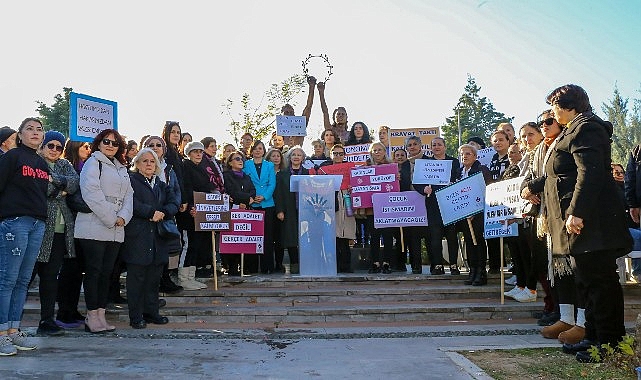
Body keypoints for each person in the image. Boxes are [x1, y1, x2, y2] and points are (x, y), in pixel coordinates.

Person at [528, 85, 632, 362]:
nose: (552, 112)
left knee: (600, 283)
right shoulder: (573, 129)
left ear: (569, 106)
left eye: (554, 107)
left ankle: (608, 342)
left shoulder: (587, 128)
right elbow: (562, 174)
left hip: (592, 221)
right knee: (587, 281)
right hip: (578, 221)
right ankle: (592, 337)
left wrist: (577, 211)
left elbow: (590, 172)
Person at [75, 128, 134, 333]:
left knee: (107, 273)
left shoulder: (122, 168)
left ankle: (101, 315)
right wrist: (111, 217)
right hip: (93, 225)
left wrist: (123, 217)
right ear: (99, 143)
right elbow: (91, 193)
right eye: (106, 141)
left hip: (117, 228)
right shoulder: (93, 163)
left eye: (115, 143)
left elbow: (129, 196)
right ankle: (92, 316)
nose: (110, 145)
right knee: (94, 271)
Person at [0, 117, 49, 355]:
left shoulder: (42, 163)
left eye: (39, 129)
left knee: (23, 280)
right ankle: (0, 333)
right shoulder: (11, 157)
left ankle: (13, 331)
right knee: (7, 279)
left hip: (37, 224)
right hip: (14, 223)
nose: (35, 132)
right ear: (19, 135)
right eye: (29, 128)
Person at [122, 148, 178, 329]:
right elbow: (130, 202)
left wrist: (163, 213)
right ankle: (136, 316)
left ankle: (152, 313)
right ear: (137, 164)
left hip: (158, 237)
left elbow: (174, 202)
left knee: (154, 278)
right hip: (137, 236)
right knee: (136, 278)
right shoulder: (130, 181)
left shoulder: (161, 184)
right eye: (144, 161)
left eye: (152, 161)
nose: (148, 164)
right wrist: (149, 212)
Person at [33, 131, 79, 337]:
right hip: (38, 228)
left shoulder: (64, 165)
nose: (54, 150)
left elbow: (75, 183)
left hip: (61, 232)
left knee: (51, 277)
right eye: (50, 145)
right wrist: (60, 189)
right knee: (24, 277)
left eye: (58, 147)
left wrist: (55, 181)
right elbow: (40, 189)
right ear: (42, 146)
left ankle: (47, 320)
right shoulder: (33, 163)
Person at [55, 140, 92, 329]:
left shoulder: (90, 167)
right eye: (85, 146)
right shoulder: (66, 166)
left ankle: (73, 308)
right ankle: (63, 311)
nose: (88, 149)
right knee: (69, 269)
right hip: (69, 225)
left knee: (78, 271)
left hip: (86, 226)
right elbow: (70, 196)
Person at [414, 137, 461, 275]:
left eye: (439, 144)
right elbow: (417, 183)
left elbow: (460, 178)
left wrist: (455, 184)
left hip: (450, 204)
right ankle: (438, 265)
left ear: (445, 147)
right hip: (433, 204)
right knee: (435, 236)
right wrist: (424, 189)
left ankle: (453, 265)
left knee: (452, 235)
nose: (436, 147)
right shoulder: (425, 163)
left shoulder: (454, 162)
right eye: (434, 145)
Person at [144, 136, 184, 292]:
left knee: (168, 249)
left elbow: (175, 191)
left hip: (166, 216)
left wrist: (168, 210)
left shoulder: (169, 169)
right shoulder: (137, 168)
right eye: (151, 145)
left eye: (158, 145)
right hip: (146, 217)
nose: (155, 147)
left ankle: (165, 279)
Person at [179, 141, 214, 288]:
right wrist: (191, 206)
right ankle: (183, 278)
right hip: (189, 213)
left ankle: (191, 276)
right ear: (188, 153)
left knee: (195, 245)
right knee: (188, 245)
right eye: (195, 151)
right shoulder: (186, 166)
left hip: (200, 213)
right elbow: (186, 188)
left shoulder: (201, 169)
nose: (199, 154)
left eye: (200, 151)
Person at [456, 144, 491, 286]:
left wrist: (475, 210)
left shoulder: (482, 170)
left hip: (478, 213)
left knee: (478, 241)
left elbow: (487, 190)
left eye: (468, 153)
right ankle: (472, 270)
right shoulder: (458, 172)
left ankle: (481, 272)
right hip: (464, 214)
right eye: (462, 154)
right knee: (469, 242)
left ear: (475, 156)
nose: (464, 156)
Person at [274, 146, 309, 274]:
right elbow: (278, 194)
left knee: (305, 236)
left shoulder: (307, 173)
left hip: (305, 210)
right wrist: (280, 210)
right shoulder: (282, 174)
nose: (296, 157)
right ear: (289, 157)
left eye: (299, 155)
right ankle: (294, 264)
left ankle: (305, 263)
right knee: (290, 237)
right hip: (288, 210)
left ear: (303, 158)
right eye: (293, 154)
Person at [243, 140, 276, 274]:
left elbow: (272, 183)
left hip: (267, 204)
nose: (258, 151)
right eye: (255, 148)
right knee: (252, 237)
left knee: (267, 237)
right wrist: (252, 197)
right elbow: (244, 182)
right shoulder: (246, 164)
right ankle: (251, 267)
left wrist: (264, 196)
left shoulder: (269, 165)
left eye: (260, 148)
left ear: (264, 151)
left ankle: (267, 266)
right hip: (252, 204)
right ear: (252, 150)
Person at [223, 150, 257, 275]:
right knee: (232, 239)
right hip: (232, 209)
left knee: (244, 238)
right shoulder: (226, 175)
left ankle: (245, 267)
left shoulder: (247, 177)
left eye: (241, 159)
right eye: (237, 159)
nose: (240, 161)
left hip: (245, 210)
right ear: (230, 162)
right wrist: (245, 199)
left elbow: (252, 191)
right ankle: (231, 267)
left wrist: (247, 201)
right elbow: (231, 191)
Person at [364, 142, 395, 274]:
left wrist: (396, 178)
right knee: (374, 236)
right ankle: (375, 263)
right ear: (371, 153)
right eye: (374, 150)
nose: (377, 152)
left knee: (388, 236)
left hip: (388, 208)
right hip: (371, 208)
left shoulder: (392, 166)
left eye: (379, 150)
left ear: (384, 151)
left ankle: (387, 263)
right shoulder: (365, 167)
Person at [199, 136, 226, 277]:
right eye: (211, 146)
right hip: (208, 200)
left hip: (219, 198)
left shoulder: (215, 162)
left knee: (216, 235)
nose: (214, 148)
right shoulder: (204, 161)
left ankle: (215, 264)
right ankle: (207, 265)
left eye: (215, 146)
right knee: (207, 236)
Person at [327, 144, 356, 273]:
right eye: (335, 153)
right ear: (331, 155)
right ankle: (336, 265)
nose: (338, 156)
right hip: (332, 200)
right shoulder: (325, 169)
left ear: (344, 155)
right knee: (335, 234)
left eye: (340, 153)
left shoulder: (351, 169)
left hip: (347, 199)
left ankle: (346, 265)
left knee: (346, 233)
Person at [486, 130, 511, 274]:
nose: (498, 143)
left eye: (501, 140)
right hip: (493, 202)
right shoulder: (492, 159)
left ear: (508, 141)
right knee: (493, 233)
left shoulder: (513, 156)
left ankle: (514, 267)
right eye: (495, 141)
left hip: (510, 201)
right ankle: (495, 265)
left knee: (510, 235)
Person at [281, 76, 317, 147]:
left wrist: (311, 87)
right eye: (286, 113)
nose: (289, 115)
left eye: (291, 113)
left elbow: (308, 107)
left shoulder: (299, 126)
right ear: (281, 115)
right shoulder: (277, 134)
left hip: (297, 155)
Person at [266, 148, 287, 272]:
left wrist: (281, 210)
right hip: (267, 207)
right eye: (273, 156)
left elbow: (282, 194)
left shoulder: (284, 173)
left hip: (280, 210)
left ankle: (279, 263)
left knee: (280, 239)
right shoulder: (265, 172)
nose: (275, 158)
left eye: (278, 156)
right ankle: (268, 265)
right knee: (268, 238)